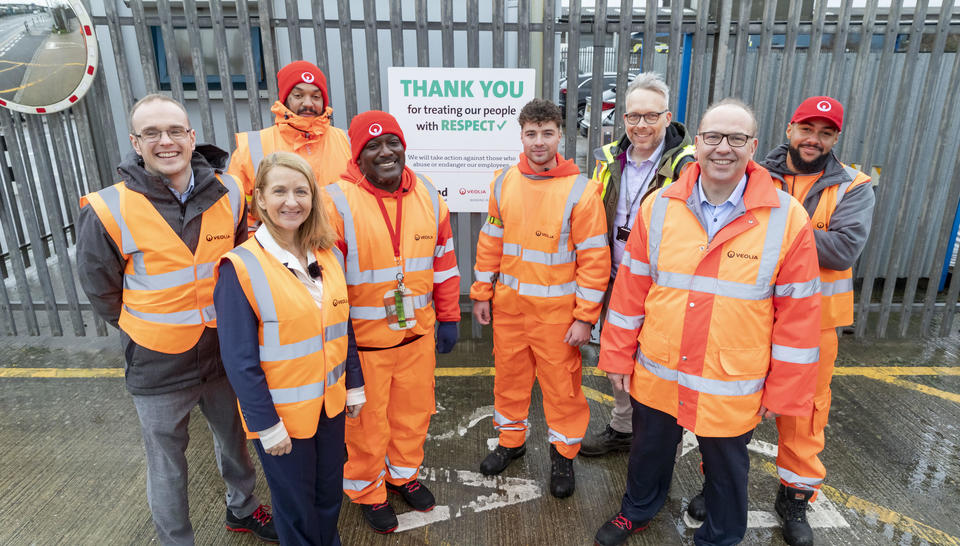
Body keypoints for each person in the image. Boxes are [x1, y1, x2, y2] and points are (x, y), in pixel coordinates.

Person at [593, 99, 822, 546]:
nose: (724, 148)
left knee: (726, 468)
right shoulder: (658, 207)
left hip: (730, 378)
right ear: (696, 143)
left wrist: (785, 388)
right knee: (648, 452)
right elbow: (630, 292)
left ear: (753, 146)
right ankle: (637, 510)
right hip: (661, 368)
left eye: (737, 139)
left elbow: (799, 315)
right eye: (714, 137)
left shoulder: (787, 217)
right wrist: (618, 354)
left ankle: (720, 536)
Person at [76, 94, 277, 545]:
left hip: (223, 353)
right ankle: (176, 539)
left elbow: (244, 262)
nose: (165, 141)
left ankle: (242, 510)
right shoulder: (107, 208)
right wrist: (145, 328)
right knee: (167, 464)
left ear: (191, 137)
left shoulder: (231, 192)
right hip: (156, 361)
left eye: (174, 131)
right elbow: (101, 290)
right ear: (135, 142)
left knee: (236, 445)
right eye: (151, 133)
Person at [213, 152, 366, 545]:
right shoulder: (240, 267)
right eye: (279, 191)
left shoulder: (327, 255)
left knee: (328, 498)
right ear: (260, 198)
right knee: (295, 508)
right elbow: (239, 360)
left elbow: (340, 325)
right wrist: (266, 426)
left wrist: (353, 384)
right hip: (283, 420)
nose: (291, 201)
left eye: (301, 191)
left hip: (329, 408)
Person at [323, 110, 461, 534]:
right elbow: (327, 284)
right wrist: (338, 344)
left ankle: (402, 474)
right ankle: (368, 490)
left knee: (414, 413)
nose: (385, 152)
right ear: (358, 155)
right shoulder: (335, 202)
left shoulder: (430, 197)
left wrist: (450, 315)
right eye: (372, 146)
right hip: (362, 345)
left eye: (393, 143)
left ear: (404, 147)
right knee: (365, 424)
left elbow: (445, 265)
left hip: (416, 336)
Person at [471, 98, 610, 498]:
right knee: (509, 381)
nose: (538, 142)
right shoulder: (503, 182)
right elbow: (490, 242)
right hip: (510, 310)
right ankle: (511, 444)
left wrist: (585, 318)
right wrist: (481, 292)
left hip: (557, 318)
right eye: (531, 133)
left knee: (561, 389)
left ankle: (563, 456)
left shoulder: (581, 192)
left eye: (547, 133)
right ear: (521, 135)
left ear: (560, 135)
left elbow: (595, 260)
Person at [581, 72, 695, 457]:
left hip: (664, 284)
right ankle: (624, 425)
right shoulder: (610, 158)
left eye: (650, 116)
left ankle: (662, 437)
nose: (640, 125)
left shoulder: (687, 165)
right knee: (616, 354)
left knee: (659, 361)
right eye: (633, 117)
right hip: (616, 276)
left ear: (667, 117)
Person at [227, 60, 351, 232]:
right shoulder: (251, 148)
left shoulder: (348, 142)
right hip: (278, 254)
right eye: (298, 95)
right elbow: (236, 212)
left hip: (337, 252)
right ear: (285, 99)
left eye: (316, 96)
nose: (308, 103)